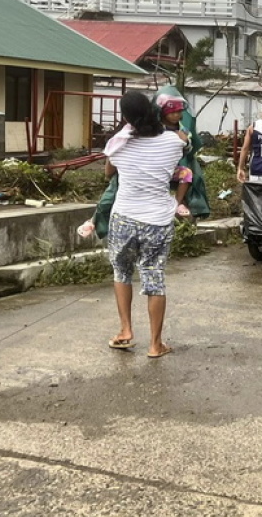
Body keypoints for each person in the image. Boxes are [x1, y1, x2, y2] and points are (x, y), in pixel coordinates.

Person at [105, 91, 185, 359]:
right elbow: (180, 150)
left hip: (124, 217)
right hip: (158, 221)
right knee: (154, 277)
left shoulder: (118, 144)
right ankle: (155, 344)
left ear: (126, 117)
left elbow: (108, 173)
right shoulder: (174, 142)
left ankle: (126, 331)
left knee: (122, 273)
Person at [157, 95, 194, 217]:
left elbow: (188, 150)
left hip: (172, 167)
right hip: (156, 168)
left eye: (178, 112)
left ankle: (177, 203)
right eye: (172, 112)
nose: (176, 115)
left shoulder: (183, 130)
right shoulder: (157, 128)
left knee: (187, 173)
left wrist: (186, 142)